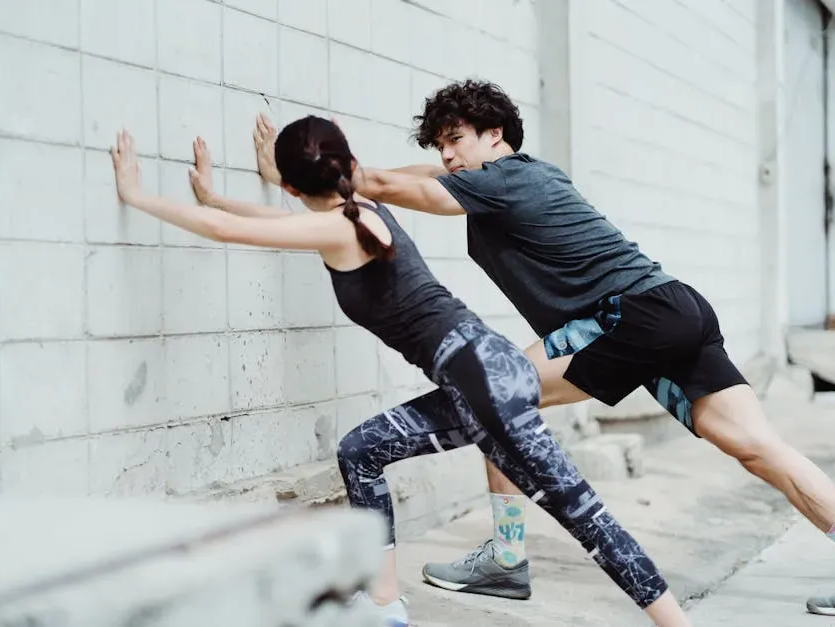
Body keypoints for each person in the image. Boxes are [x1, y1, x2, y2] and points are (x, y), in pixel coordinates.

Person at [250, 79, 835, 614]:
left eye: (456, 139)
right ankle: (506, 559)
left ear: (495, 134)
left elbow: (378, 184)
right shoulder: (522, 175)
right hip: (674, 306)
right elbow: (419, 177)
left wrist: (300, 173)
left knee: (494, 392)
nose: (447, 155)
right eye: (440, 146)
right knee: (758, 446)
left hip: (629, 317)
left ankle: (507, 560)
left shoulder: (502, 183)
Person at [111, 116, 691, 626]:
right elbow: (272, 220)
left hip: (482, 384)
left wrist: (138, 196)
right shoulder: (358, 211)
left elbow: (235, 231)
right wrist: (215, 197)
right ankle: (386, 602)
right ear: (349, 166)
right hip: (491, 371)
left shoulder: (340, 224)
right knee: (360, 451)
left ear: (292, 184)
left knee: (584, 518)